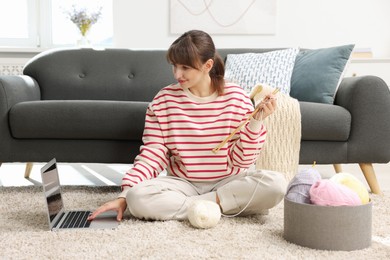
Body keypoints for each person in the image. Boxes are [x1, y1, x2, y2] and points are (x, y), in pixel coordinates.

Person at [88, 30, 286, 222]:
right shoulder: (163, 100)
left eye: (185, 68)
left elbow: (242, 162)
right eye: (174, 66)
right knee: (136, 197)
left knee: (276, 185)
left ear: (207, 65)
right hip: (183, 184)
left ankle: (198, 207)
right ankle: (225, 206)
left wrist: (256, 122)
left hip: (228, 181)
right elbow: (152, 154)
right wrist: (125, 194)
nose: (177, 74)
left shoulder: (236, 97)